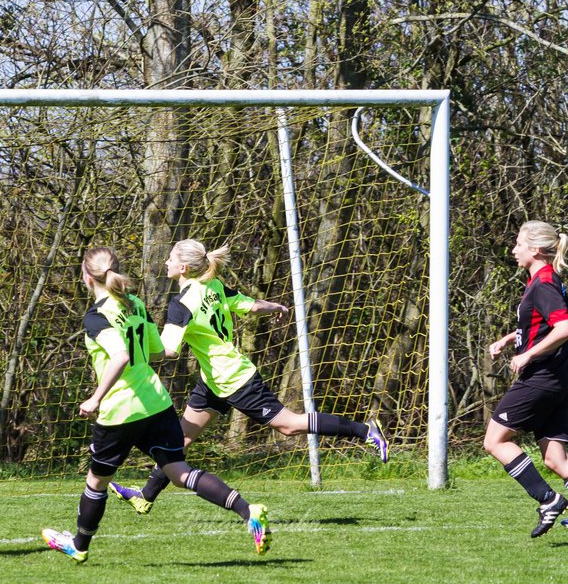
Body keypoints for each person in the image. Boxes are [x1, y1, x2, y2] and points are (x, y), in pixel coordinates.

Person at [108, 239, 388, 516]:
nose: (166, 262)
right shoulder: (213, 285)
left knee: (289, 425)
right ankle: (146, 496)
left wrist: (134, 349)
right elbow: (249, 305)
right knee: (180, 439)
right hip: (214, 379)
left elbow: (169, 350)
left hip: (235, 379)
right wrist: (274, 306)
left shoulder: (181, 304)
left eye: (170, 258)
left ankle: (365, 431)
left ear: (183, 267)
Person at [40, 247, 270, 563]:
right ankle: (248, 511)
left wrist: (95, 398)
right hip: (156, 403)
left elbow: (120, 355)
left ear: (86, 275)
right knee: (179, 473)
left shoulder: (96, 316)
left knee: (96, 482)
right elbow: (158, 350)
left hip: (121, 411)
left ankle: (79, 546)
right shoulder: (135, 305)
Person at [484, 221, 568, 537]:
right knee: (555, 459)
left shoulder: (543, 283)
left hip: (541, 379)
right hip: (558, 379)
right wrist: (510, 340)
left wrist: (528, 355)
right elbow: (545, 324)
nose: (513, 249)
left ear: (535, 249)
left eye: (518, 244)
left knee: (494, 441)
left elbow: (564, 327)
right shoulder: (546, 281)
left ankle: (548, 499)